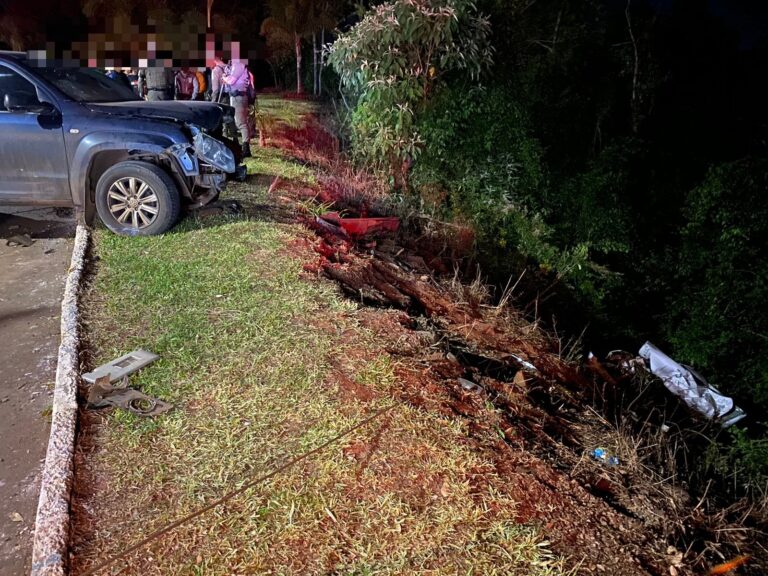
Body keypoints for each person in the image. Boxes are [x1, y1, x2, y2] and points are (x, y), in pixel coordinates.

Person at [222, 58, 252, 157]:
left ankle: (246, 149)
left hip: (239, 97)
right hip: (234, 97)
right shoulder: (232, 66)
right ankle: (242, 146)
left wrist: (224, 78)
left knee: (241, 123)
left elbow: (231, 81)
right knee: (238, 122)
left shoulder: (238, 65)